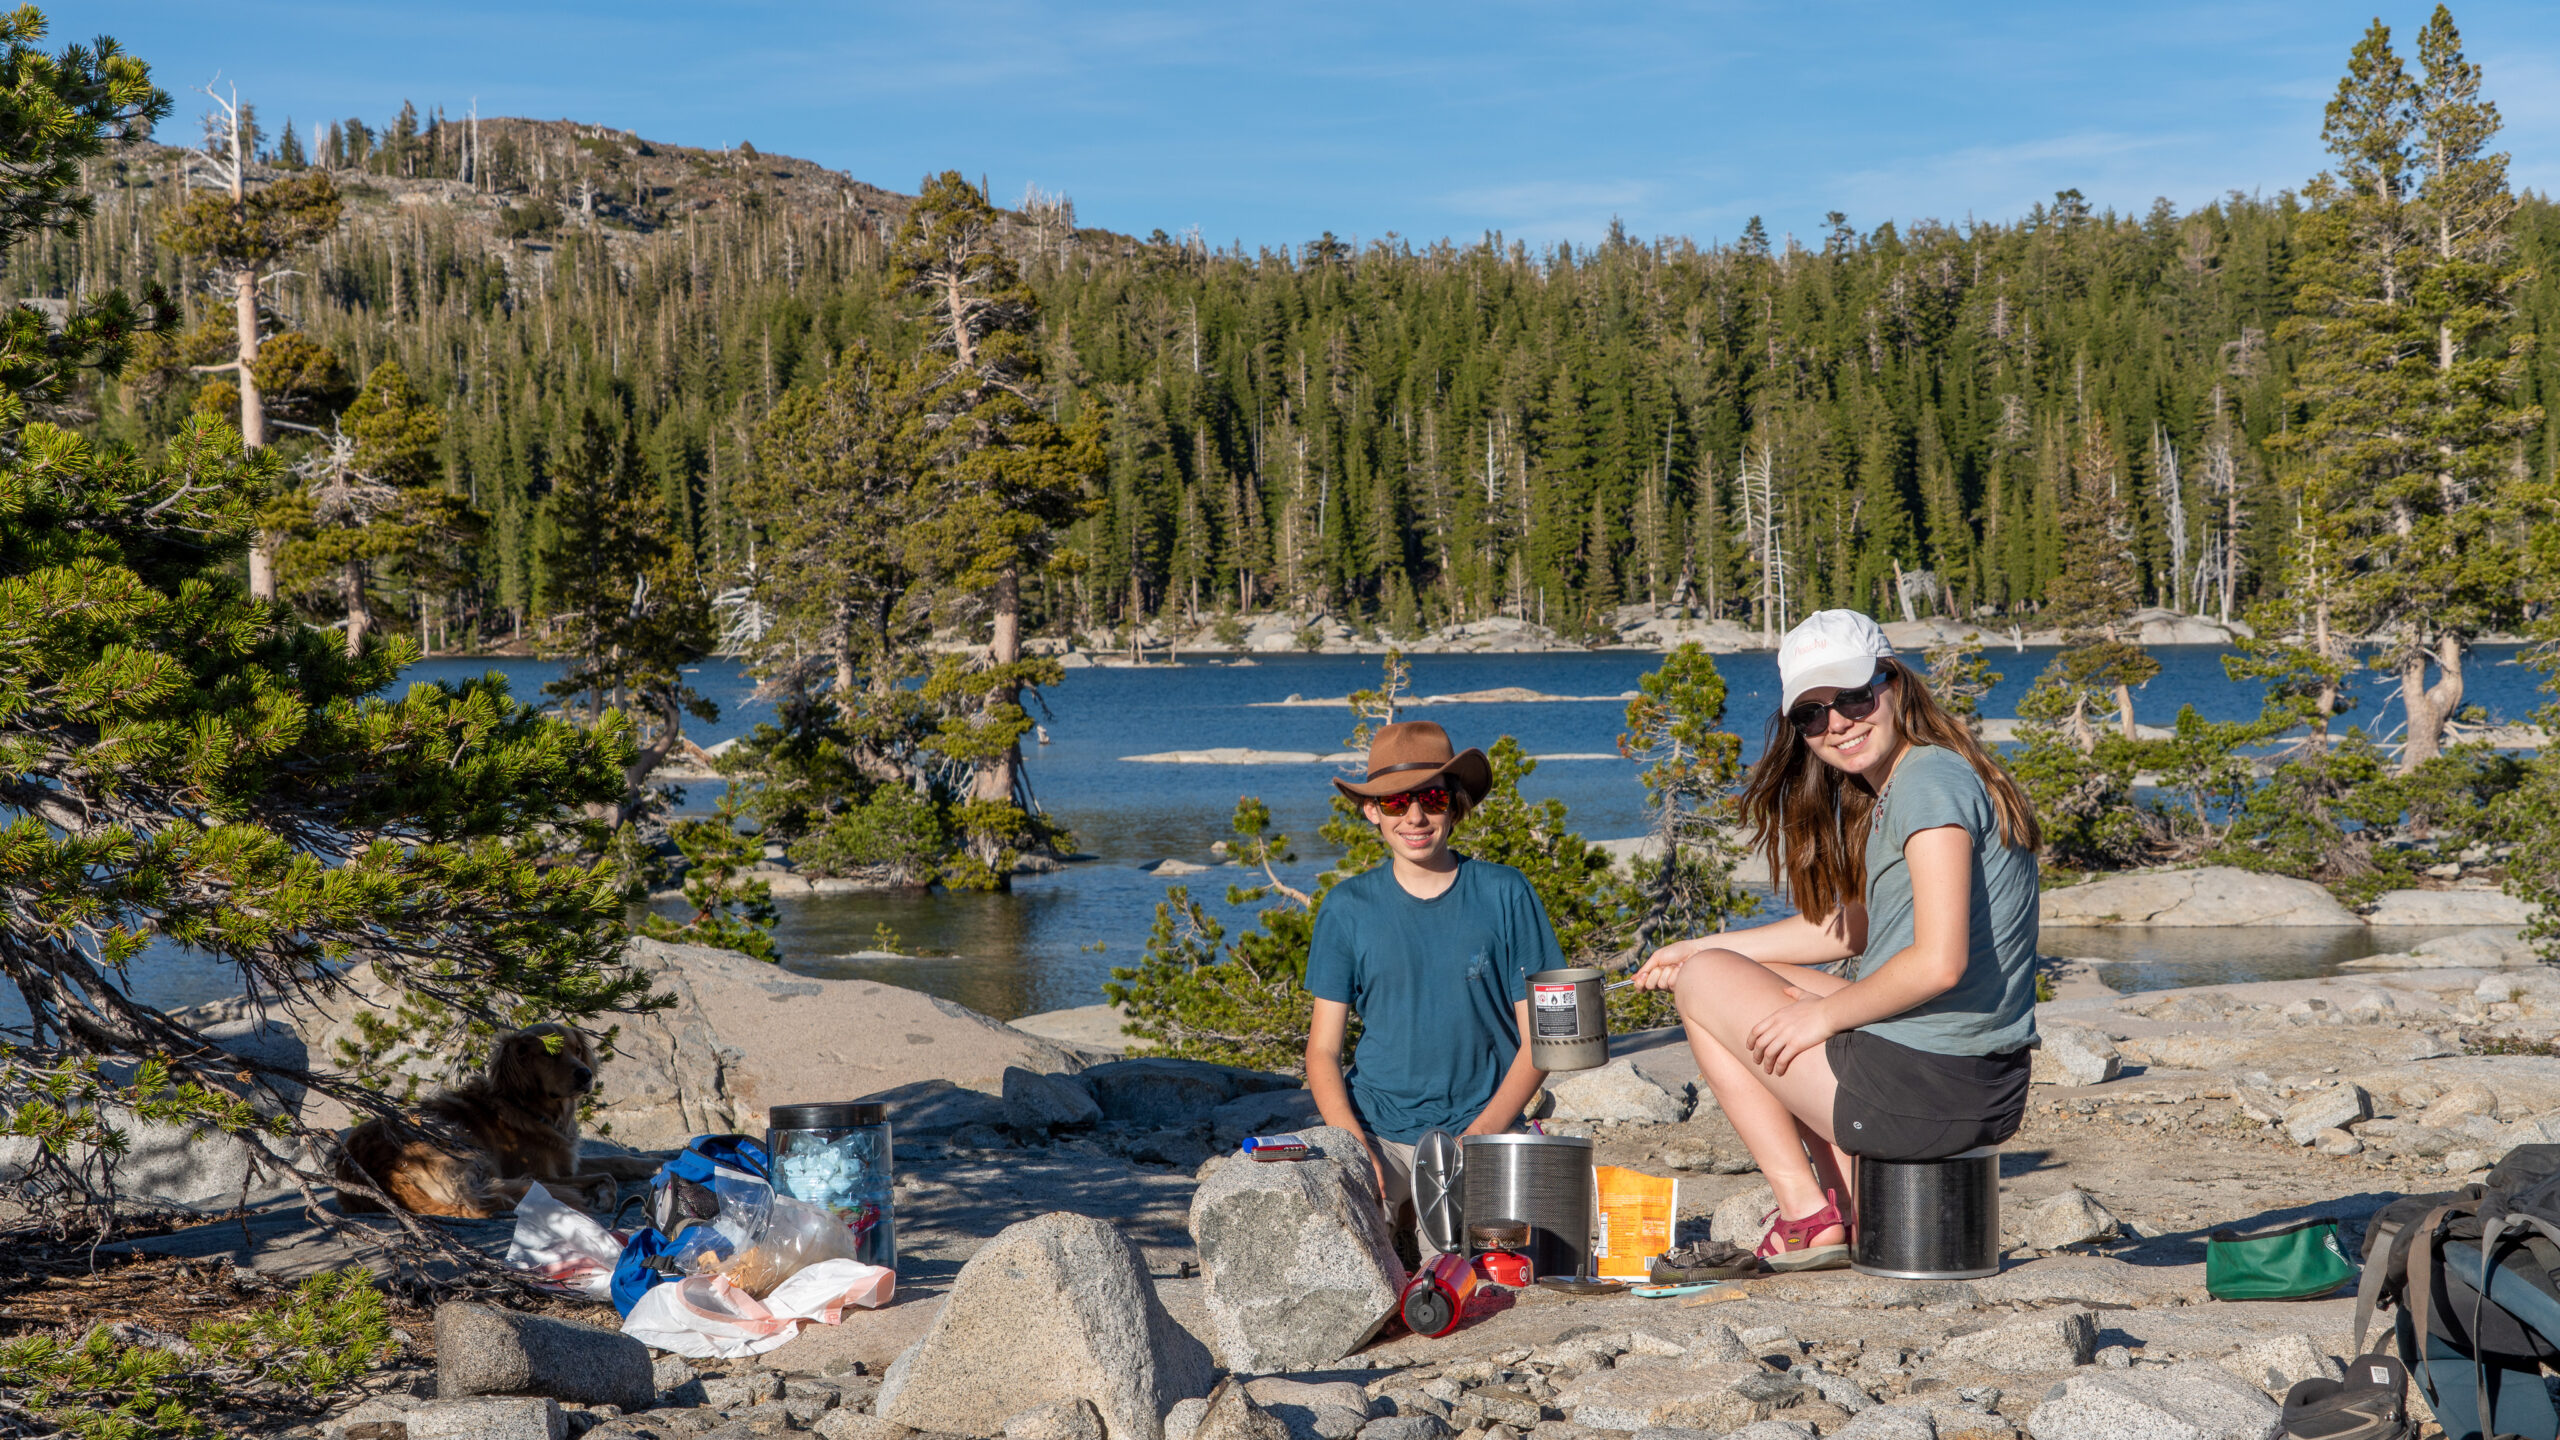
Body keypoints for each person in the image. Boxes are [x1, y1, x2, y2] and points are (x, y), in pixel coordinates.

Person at [1632, 610, 2042, 1272]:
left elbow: (1939, 964)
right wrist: (1711, 947)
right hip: (1969, 1082)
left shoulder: (1927, 784)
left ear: (1894, 682)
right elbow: (1856, 928)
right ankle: (1851, 1200)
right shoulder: (1919, 776)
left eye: (1854, 697)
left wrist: (1814, 1015)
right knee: (1716, 971)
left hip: (1932, 1092)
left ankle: (1807, 1213)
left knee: (1708, 985)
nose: (1838, 723)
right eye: (1813, 714)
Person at [1304, 720, 1560, 1255]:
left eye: (1432, 798)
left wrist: (1479, 1138)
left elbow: (1542, 1040)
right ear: (1371, 810)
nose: (1415, 817)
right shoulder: (1347, 909)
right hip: (1378, 1132)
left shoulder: (1506, 893)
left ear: (1456, 803)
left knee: (1479, 1272)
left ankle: (1417, 1227)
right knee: (1330, 1250)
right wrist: (1354, 1148)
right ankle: (1396, 1217)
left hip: (1484, 1129)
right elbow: (1323, 1052)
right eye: (1396, 803)